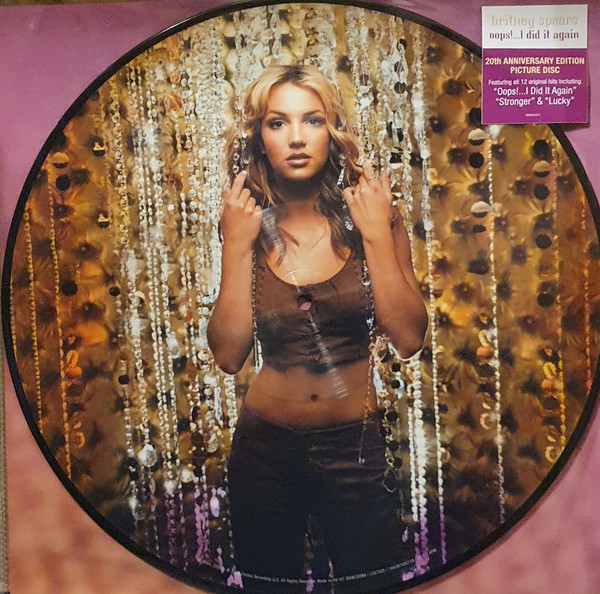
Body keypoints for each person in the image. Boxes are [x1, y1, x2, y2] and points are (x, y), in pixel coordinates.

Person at [207, 64, 428, 592]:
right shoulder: (245, 222)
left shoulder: (373, 214)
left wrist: (376, 235)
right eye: (277, 122)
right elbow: (229, 355)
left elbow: (409, 338)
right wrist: (235, 244)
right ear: (259, 137)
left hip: (353, 448)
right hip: (263, 452)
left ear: (333, 130)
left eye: (313, 120)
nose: (297, 137)